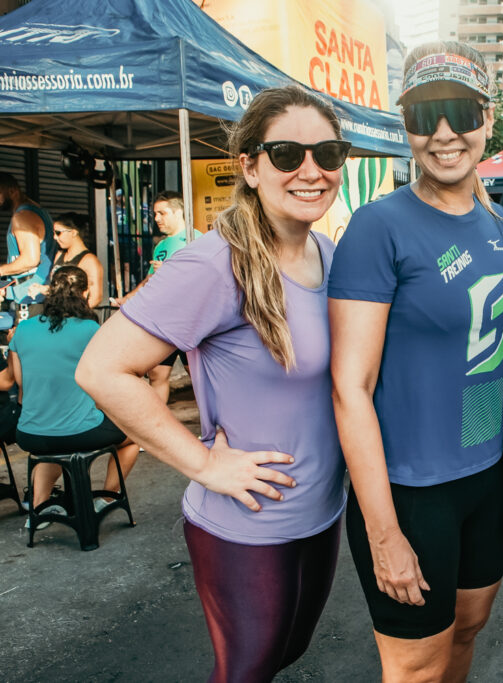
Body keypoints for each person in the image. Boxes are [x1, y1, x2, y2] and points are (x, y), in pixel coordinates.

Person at [77, 85, 350, 682]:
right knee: (247, 670)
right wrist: (203, 464)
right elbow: (101, 368)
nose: (311, 171)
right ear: (249, 167)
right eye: (287, 154)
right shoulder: (215, 262)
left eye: (327, 153)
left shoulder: (328, 253)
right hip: (245, 523)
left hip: (320, 511)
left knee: (287, 652)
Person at [329, 41, 503, 682]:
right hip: (411, 492)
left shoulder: (500, 224)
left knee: (466, 632)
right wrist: (384, 532)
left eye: (460, 113)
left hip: (486, 478)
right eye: (422, 115)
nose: (443, 134)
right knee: (415, 668)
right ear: (405, 125)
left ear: (487, 120)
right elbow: (350, 389)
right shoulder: (377, 227)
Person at [9, 267, 139, 526]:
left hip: (29, 434)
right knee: (133, 437)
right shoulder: (90, 328)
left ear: (50, 292)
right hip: (79, 432)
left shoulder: (23, 329)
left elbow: (20, 382)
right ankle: (107, 497)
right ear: (85, 293)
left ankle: (40, 509)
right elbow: (104, 378)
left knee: (53, 441)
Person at [114, 191, 191, 404]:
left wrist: (170, 271)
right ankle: (158, 422)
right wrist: (128, 297)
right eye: (155, 213)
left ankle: (212, 422)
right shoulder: (161, 245)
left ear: (178, 212)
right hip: (163, 320)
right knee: (156, 373)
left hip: (188, 319)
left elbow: (203, 279)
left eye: (162, 213)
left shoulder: (194, 239)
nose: (156, 218)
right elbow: (150, 279)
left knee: (197, 374)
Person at [0, 171, 56, 316]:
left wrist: (1, 270)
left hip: (30, 297)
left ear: (12, 191)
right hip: (35, 294)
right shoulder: (37, 210)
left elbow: (30, 260)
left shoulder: (23, 216)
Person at [27, 212, 105, 308]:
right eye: (54, 233)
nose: (55, 237)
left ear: (73, 232)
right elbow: (60, 291)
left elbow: (96, 298)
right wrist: (42, 289)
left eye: (58, 233)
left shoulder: (89, 261)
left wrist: (76, 312)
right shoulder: (60, 254)